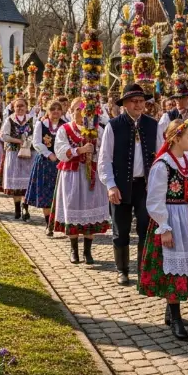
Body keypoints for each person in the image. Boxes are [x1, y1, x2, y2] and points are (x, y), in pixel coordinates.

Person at [140, 118, 188, 341]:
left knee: (184, 266)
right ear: (176, 139)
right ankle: (176, 317)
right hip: (170, 219)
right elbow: (155, 199)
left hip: (186, 219)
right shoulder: (163, 165)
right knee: (172, 270)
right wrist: (164, 226)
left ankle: (172, 312)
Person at [98, 84, 160, 286]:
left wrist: (158, 185)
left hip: (145, 186)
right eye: (134, 101)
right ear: (124, 104)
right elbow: (104, 159)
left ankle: (143, 270)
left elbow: (160, 157)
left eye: (141, 101)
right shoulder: (113, 126)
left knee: (145, 228)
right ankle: (122, 270)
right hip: (121, 185)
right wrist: (110, 185)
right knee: (121, 230)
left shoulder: (153, 125)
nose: (139, 105)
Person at [53, 97, 111, 265]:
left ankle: (87, 251)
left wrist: (94, 152)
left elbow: (104, 150)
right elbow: (60, 150)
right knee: (72, 206)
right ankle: (74, 249)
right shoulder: (65, 129)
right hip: (72, 174)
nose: (80, 112)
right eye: (76, 109)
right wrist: (79, 150)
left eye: (83, 109)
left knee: (89, 206)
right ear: (71, 111)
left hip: (90, 173)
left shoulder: (97, 129)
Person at [25, 100, 65, 233]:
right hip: (45, 162)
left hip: (61, 162)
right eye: (53, 109)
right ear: (48, 111)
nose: (56, 112)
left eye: (58, 109)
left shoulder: (65, 125)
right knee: (46, 194)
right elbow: (36, 142)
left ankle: (60, 221)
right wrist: (49, 154)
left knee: (60, 193)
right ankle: (49, 224)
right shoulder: (41, 124)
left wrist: (62, 154)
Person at [0, 98, 35, 221]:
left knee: (27, 182)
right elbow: (3, 136)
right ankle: (17, 208)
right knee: (16, 182)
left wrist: (28, 141)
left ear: (26, 107)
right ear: (14, 108)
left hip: (29, 153)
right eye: (17, 106)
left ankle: (25, 208)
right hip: (14, 153)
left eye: (22, 106)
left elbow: (36, 134)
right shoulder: (10, 119)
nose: (20, 108)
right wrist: (18, 140)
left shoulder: (32, 119)